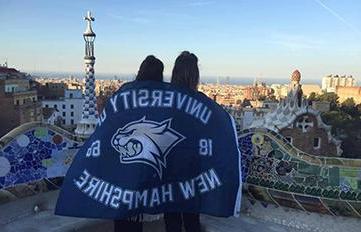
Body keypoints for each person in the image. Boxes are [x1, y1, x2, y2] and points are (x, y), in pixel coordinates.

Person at [114, 54, 164, 232]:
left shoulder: (124, 92)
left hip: (122, 163)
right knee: (136, 213)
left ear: (140, 71)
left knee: (122, 215)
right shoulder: (162, 98)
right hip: (144, 165)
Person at [163, 51, 201, 232]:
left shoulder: (164, 100)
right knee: (192, 220)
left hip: (167, 169)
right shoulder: (200, 104)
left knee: (171, 220)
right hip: (192, 172)